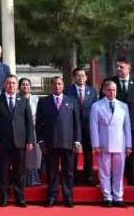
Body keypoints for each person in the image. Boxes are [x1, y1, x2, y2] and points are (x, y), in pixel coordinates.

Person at [0, 74, 34, 207]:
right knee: (3, 171)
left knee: (20, 171)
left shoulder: (23, 100)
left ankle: (20, 197)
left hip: (20, 142)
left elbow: (29, 122)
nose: (11, 85)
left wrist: (30, 140)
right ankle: (4, 197)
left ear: (17, 86)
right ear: (4, 85)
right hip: (2, 142)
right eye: (8, 83)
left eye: (14, 83)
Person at [35, 75, 81, 207]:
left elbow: (76, 123)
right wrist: (40, 140)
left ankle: (68, 196)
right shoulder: (43, 101)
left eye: (59, 84)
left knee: (68, 171)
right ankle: (52, 196)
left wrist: (77, 140)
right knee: (51, 171)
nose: (57, 86)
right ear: (51, 86)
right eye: (55, 84)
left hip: (68, 142)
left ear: (63, 86)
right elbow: (39, 123)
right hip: (50, 142)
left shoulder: (71, 101)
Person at [90, 79, 132, 208]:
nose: (112, 93)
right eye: (109, 90)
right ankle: (107, 197)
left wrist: (128, 145)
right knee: (105, 172)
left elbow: (127, 127)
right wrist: (96, 144)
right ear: (104, 91)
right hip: (104, 144)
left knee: (119, 172)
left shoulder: (123, 106)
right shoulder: (97, 106)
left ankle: (118, 197)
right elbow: (93, 126)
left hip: (120, 143)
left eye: (114, 90)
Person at [111, 58, 134, 187]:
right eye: (117, 66)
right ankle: (116, 177)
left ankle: (131, 176)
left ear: (128, 68)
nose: (118, 69)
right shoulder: (110, 82)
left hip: (133, 124)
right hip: (115, 124)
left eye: (121, 67)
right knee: (116, 151)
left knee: (132, 151)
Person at [65, 66, 99, 184]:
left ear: (86, 77)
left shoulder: (92, 91)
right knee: (73, 151)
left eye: (83, 75)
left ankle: (88, 176)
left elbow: (95, 109)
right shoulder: (68, 91)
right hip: (72, 126)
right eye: (78, 76)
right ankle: (72, 176)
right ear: (74, 77)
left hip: (88, 125)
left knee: (88, 151)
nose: (81, 78)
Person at [19, 77, 42, 187]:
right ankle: (22, 179)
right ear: (19, 87)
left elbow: (40, 114)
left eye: (27, 84)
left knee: (33, 154)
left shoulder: (36, 99)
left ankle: (33, 179)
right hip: (20, 131)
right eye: (23, 84)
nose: (25, 86)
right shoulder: (17, 99)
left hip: (33, 130)